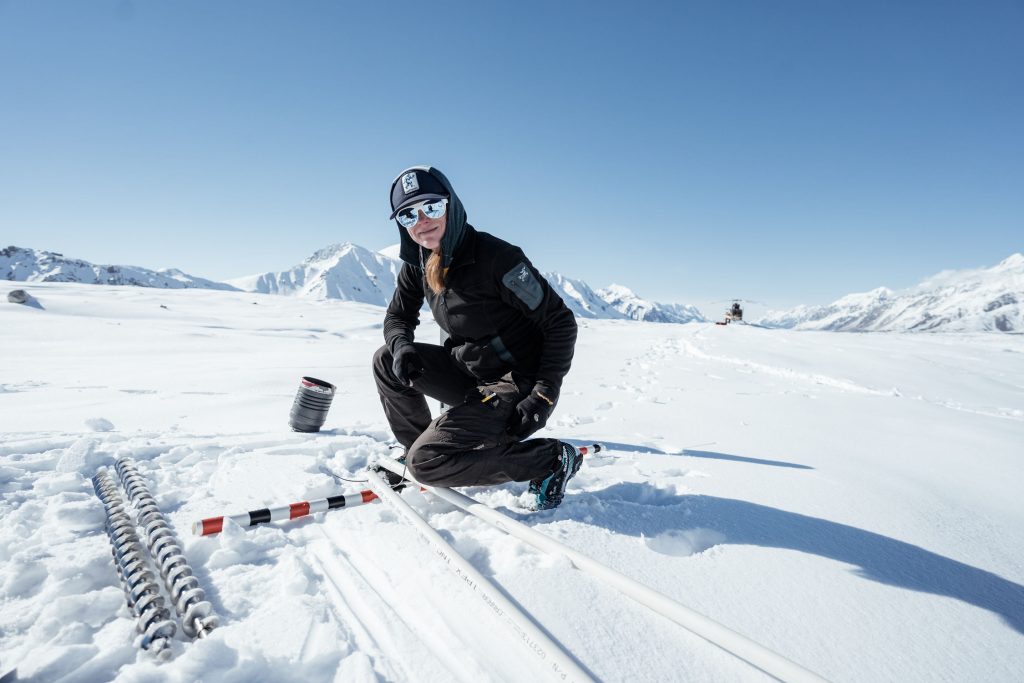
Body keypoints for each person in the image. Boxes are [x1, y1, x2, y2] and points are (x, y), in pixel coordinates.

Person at [371, 166, 581, 509]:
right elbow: (397, 317)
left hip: (515, 385)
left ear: (451, 205)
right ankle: (420, 450)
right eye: (409, 213)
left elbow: (560, 323)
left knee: (427, 463)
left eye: (432, 207)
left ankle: (550, 460)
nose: (421, 220)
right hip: (469, 373)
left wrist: (543, 394)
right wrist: (402, 347)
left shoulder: (498, 259)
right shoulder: (417, 263)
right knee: (385, 360)